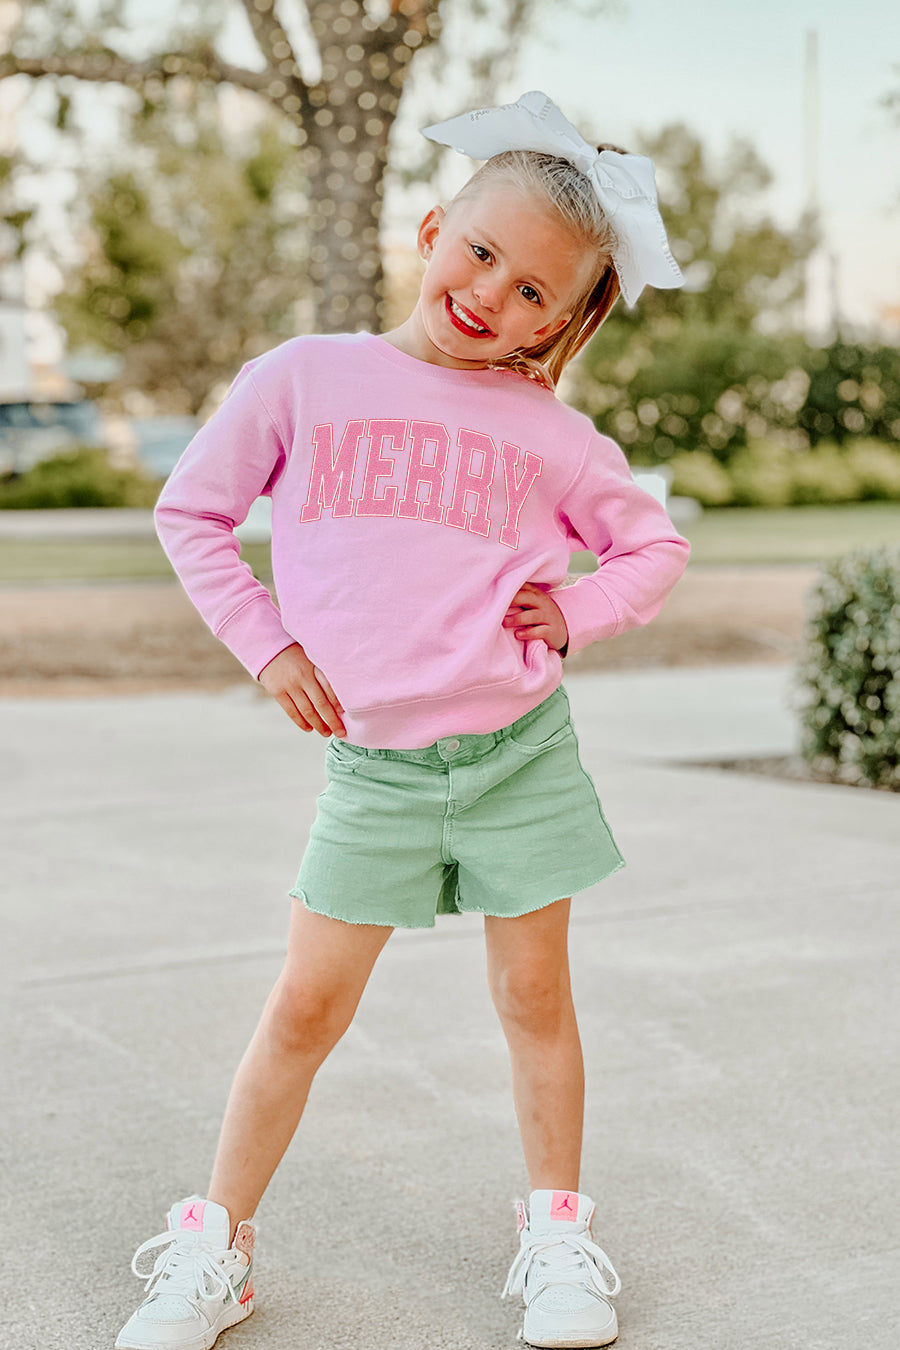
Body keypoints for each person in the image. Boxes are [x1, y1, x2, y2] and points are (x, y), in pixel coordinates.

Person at [115, 91, 690, 1350]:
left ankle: (555, 1237)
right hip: (373, 773)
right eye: (480, 253)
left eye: (536, 291)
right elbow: (190, 515)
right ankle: (216, 1251)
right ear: (432, 229)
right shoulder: (307, 378)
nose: (494, 296)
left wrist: (576, 612)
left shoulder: (552, 436)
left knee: (537, 1000)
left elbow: (654, 547)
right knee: (305, 1013)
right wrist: (265, 644)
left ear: (568, 318)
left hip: (519, 759)